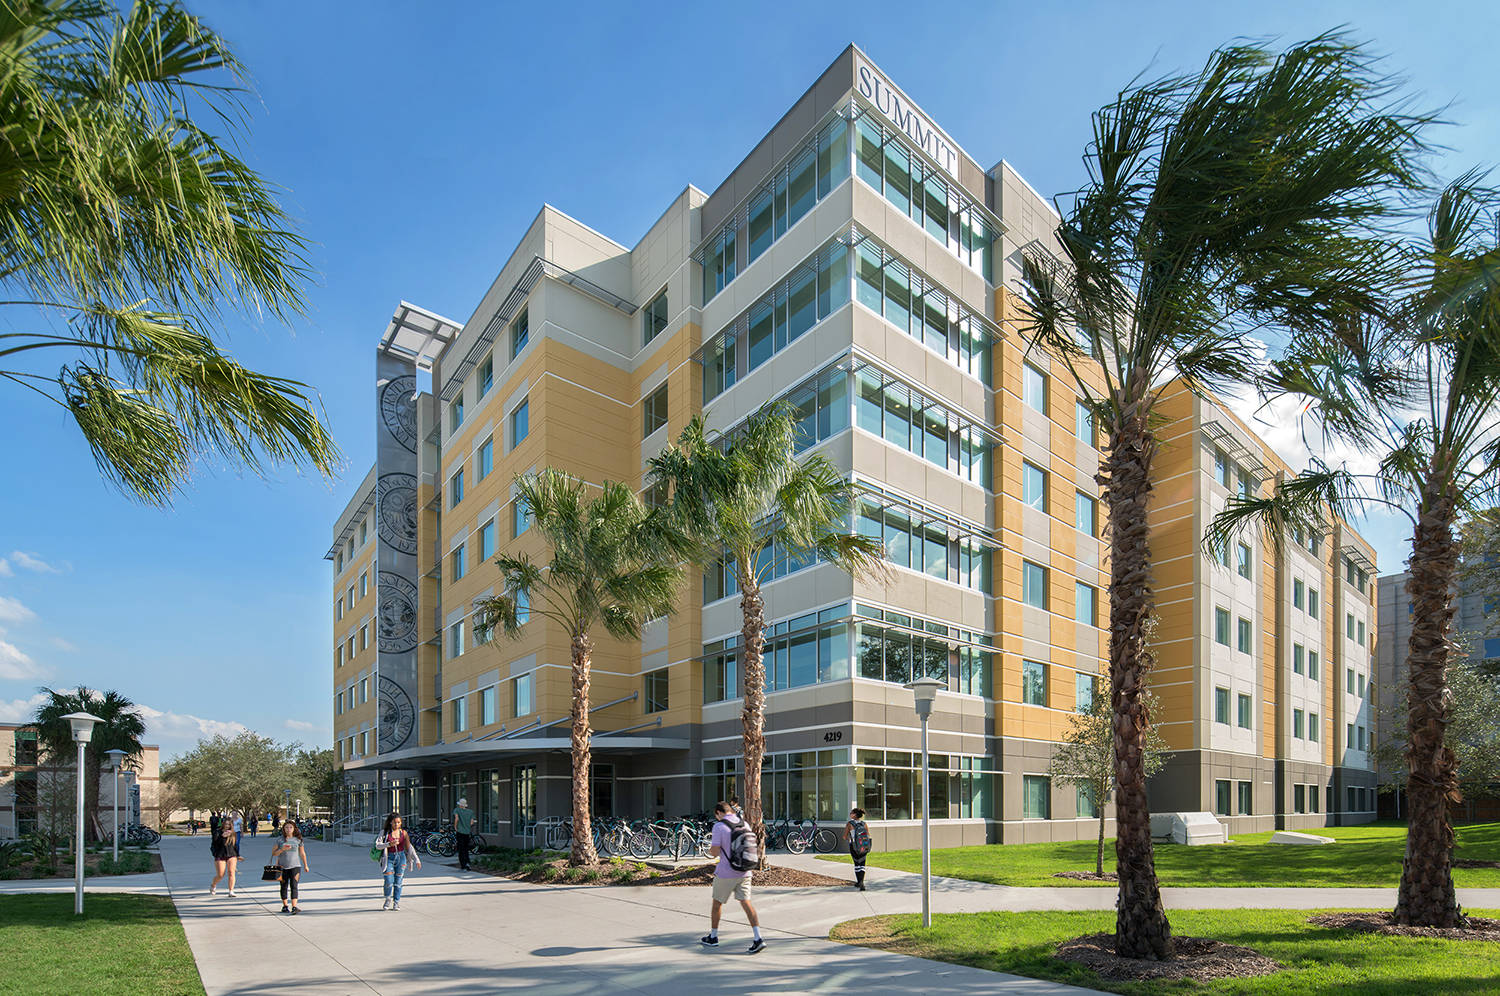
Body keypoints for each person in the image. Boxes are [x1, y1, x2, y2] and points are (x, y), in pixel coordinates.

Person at [702, 800, 763, 954]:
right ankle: (758, 938)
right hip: (745, 871)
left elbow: (715, 852)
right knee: (747, 903)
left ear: (718, 813)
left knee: (717, 904)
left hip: (726, 873)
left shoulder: (719, 826)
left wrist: (709, 850)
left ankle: (713, 937)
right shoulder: (745, 824)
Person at [377, 813, 421, 910]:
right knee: (388, 881)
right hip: (388, 858)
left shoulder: (403, 833)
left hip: (401, 858)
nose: (396, 824)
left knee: (398, 882)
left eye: (398, 822)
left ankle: (396, 902)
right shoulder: (384, 832)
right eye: (394, 822)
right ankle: (388, 898)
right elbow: (378, 845)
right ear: (390, 822)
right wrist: (389, 844)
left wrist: (416, 859)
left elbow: (409, 847)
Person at [271, 819, 310, 914]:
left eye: (290, 827)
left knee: (294, 886)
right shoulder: (280, 840)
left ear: (294, 829)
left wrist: (305, 865)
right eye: (286, 827)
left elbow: (302, 853)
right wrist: (282, 849)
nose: (288, 829)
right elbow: (274, 853)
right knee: (283, 886)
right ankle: (285, 906)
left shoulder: (298, 840)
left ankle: (294, 906)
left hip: (295, 866)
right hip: (282, 867)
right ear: (283, 829)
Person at [841, 807, 872, 891]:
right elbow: (868, 835)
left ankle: (859, 882)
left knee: (856, 863)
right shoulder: (864, 823)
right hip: (863, 846)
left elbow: (844, 836)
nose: (850, 814)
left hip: (854, 846)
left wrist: (849, 839)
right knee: (862, 863)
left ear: (854, 815)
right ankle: (861, 882)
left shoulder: (850, 824)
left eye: (851, 813)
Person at [209, 821, 239, 896]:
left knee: (231, 872)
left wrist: (238, 855)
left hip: (231, 855)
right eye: (226, 824)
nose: (227, 826)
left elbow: (235, 845)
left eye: (229, 824)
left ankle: (231, 891)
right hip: (220, 855)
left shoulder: (233, 833)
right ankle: (213, 885)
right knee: (220, 875)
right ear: (223, 824)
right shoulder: (217, 832)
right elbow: (214, 844)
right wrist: (222, 836)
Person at [452, 797, 475, 871]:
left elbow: (457, 819)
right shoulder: (470, 812)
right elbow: (472, 822)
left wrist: (455, 827)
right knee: (466, 849)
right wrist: (467, 826)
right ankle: (468, 863)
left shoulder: (457, 810)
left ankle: (463, 865)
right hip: (467, 832)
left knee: (461, 849)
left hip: (460, 832)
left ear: (460, 805)